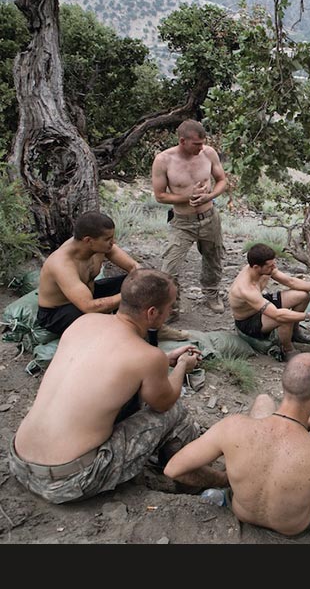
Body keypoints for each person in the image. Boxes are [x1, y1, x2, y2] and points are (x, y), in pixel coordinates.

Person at [9, 268, 227, 504]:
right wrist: (183, 365)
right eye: (170, 307)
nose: (171, 312)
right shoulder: (147, 356)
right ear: (152, 313)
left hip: (19, 462)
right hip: (68, 480)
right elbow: (165, 402)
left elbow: (106, 367)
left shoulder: (84, 322)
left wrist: (167, 358)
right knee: (175, 414)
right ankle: (191, 477)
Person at [163, 352, 310, 538]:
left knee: (263, 401)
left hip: (242, 510)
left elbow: (174, 469)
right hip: (295, 527)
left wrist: (223, 480)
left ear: (284, 385)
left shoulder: (232, 426)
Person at [35, 211, 187, 341]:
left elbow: (134, 267)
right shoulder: (62, 264)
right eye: (108, 239)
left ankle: (155, 328)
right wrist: (130, 295)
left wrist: (146, 284)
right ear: (88, 240)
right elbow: (89, 307)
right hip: (59, 312)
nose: (113, 242)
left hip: (89, 296)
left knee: (139, 283)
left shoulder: (100, 246)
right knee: (110, 323)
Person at [151, 119, 229, 320]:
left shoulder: (208, 153)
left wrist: (209, 196)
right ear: (182, 140)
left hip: (209, 217)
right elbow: (160, 195)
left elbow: (222, 180)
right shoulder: (163, 160)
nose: (201, 147)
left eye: (203, 143)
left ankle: (211, 294)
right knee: (170, 268)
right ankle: (172, 307)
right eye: (196, 144)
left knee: (213, 258)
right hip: (182, 222)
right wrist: (189, 197)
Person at [228, 243, 310, 357]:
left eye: (274, 264)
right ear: (256, 267)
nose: (274, 267)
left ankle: (294, 332)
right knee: (285, 319)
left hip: (260, 301)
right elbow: (278, 315)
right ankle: (287, 350)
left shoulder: (265, 268)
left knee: (303, 296)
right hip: (249, 321)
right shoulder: (246, 289)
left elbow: (290, 281)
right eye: (270, 266)